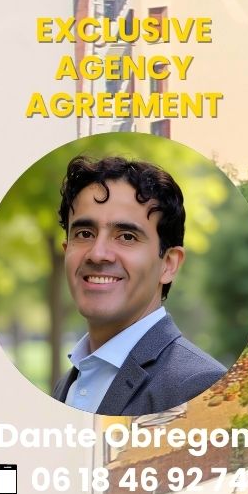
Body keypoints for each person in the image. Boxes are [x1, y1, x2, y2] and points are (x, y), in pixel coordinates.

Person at [51, 155, 226, 414]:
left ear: (168, 264)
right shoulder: (68, 384)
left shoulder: (198, 385)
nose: (97, 254)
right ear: (66, 251)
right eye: (84, 234)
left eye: (126, 236)